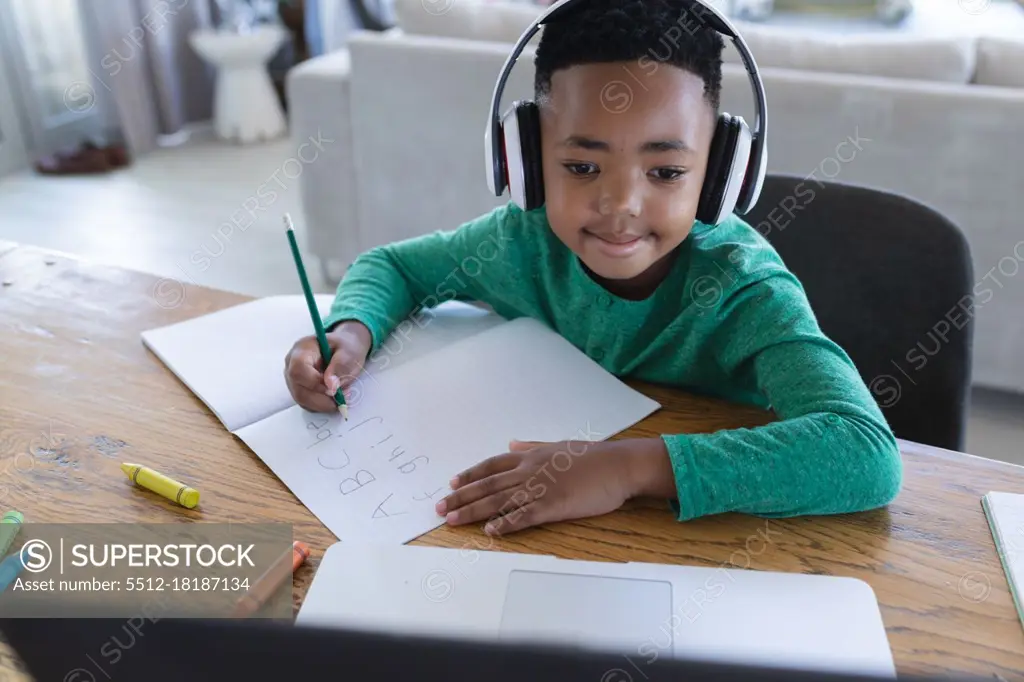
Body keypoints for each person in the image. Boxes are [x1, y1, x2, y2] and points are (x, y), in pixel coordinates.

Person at [283, 0, 902, 535]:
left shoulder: (743, 289)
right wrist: (349, 330)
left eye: (665, 172)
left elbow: (865, 453)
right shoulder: (520, 241)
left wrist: (628, 468)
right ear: (525, 159)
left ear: (720, 175)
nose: (620, 206)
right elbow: (393, 266)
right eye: (581, 167)